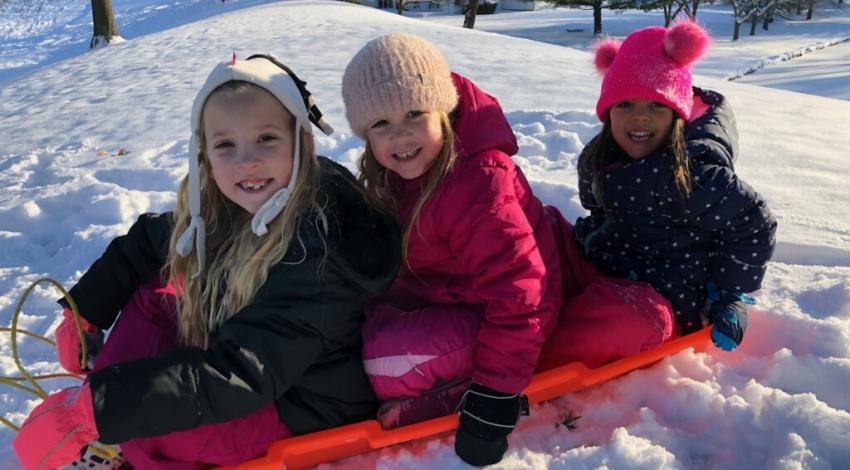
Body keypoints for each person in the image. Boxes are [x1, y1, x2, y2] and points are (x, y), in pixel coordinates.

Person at [13, 54, 400, 470]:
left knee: (148, 434)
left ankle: (125, 447)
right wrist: (86, 311)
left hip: (298, 404)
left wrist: (101, 410)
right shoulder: (237, 201)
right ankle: (106, 416)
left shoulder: (317, 249)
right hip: (242, 359)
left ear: (302, 143)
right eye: (225, 145)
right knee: (155, 291)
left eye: (266, 138)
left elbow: (241, 375)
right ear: (206, 158)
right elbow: (149, 241)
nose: (246, 160)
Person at [341, 32, 565, 467]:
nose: (400, 134)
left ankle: (461, 390)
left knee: (385, 362)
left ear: (442, 109)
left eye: (413, 112)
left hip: (512, 314)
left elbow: (521, 292)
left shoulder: (479, 179)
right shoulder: (398, 173)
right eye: (380, 124)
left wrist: (495, 396)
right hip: (451, 296)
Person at [542, 21, 776, 365]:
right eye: (625, 106)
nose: (639, 118)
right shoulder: (599, 158)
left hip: (656, 298)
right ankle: (497, 305)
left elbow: (753, 223)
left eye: (656, 106)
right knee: (538, 221)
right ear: (608, 114)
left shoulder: (695, 172)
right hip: (600, 265)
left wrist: (729, 293)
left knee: (627, 325)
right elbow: (598, 212)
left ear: (677, 116)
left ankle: (526, 358)